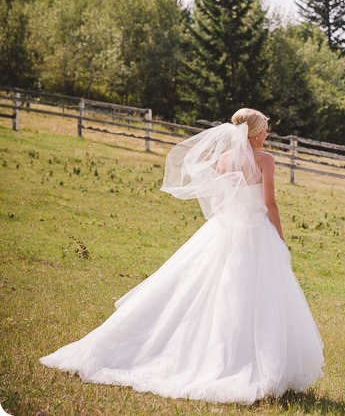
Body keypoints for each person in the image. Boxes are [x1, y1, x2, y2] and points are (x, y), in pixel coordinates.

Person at [40, 109, 324, 404]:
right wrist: (280, 239)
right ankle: (247, 361)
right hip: (256, 231)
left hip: (224, 229)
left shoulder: (223, 160)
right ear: (254, 133)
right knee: (254, 295)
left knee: (215, 291)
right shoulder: (266, 160)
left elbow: (218, 200)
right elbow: (270, 204)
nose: (268, 134)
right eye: (265, 129)